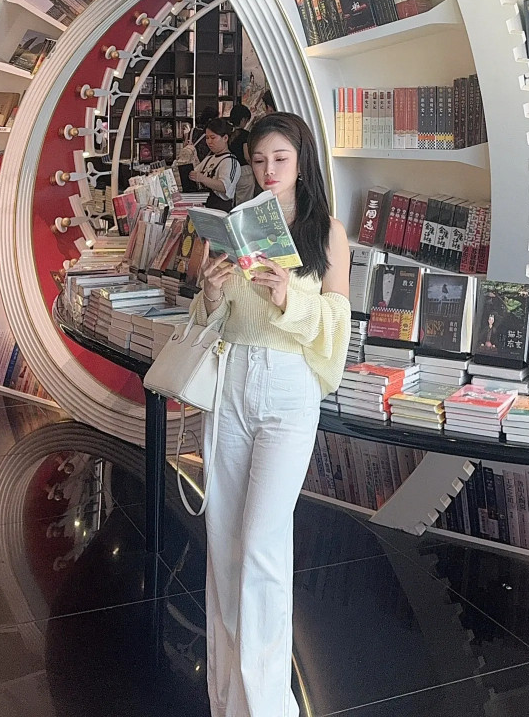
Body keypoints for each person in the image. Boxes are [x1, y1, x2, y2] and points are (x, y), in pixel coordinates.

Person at [192, 112, 350, 717]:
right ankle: (227, 699)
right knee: (224, 542)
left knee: (262, 545)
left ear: (301, 161)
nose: (269, 171)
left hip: (287, 388)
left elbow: (338, 326)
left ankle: (267, 706)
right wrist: (211, 294)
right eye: (259, 161)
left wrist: (288, 299)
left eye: (280, 159)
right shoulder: (238, 226)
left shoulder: (326, 233)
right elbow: (217, 322)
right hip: (232, 380)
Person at [189, 118, 241, 213]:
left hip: (220, 211)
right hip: (206, 208)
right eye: (207, 138)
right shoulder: (209, 158)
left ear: (225, 138)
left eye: (213, 138)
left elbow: (224, 187)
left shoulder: (230, 161)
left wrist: (202, 179)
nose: (209, 142)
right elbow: (194, 173)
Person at [228, 103, 254, 207]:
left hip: (229, 170)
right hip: (244, 171)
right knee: (244, 204)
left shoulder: (227, 134)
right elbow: (247, 156)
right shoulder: (245, 135)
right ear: (243, 119)